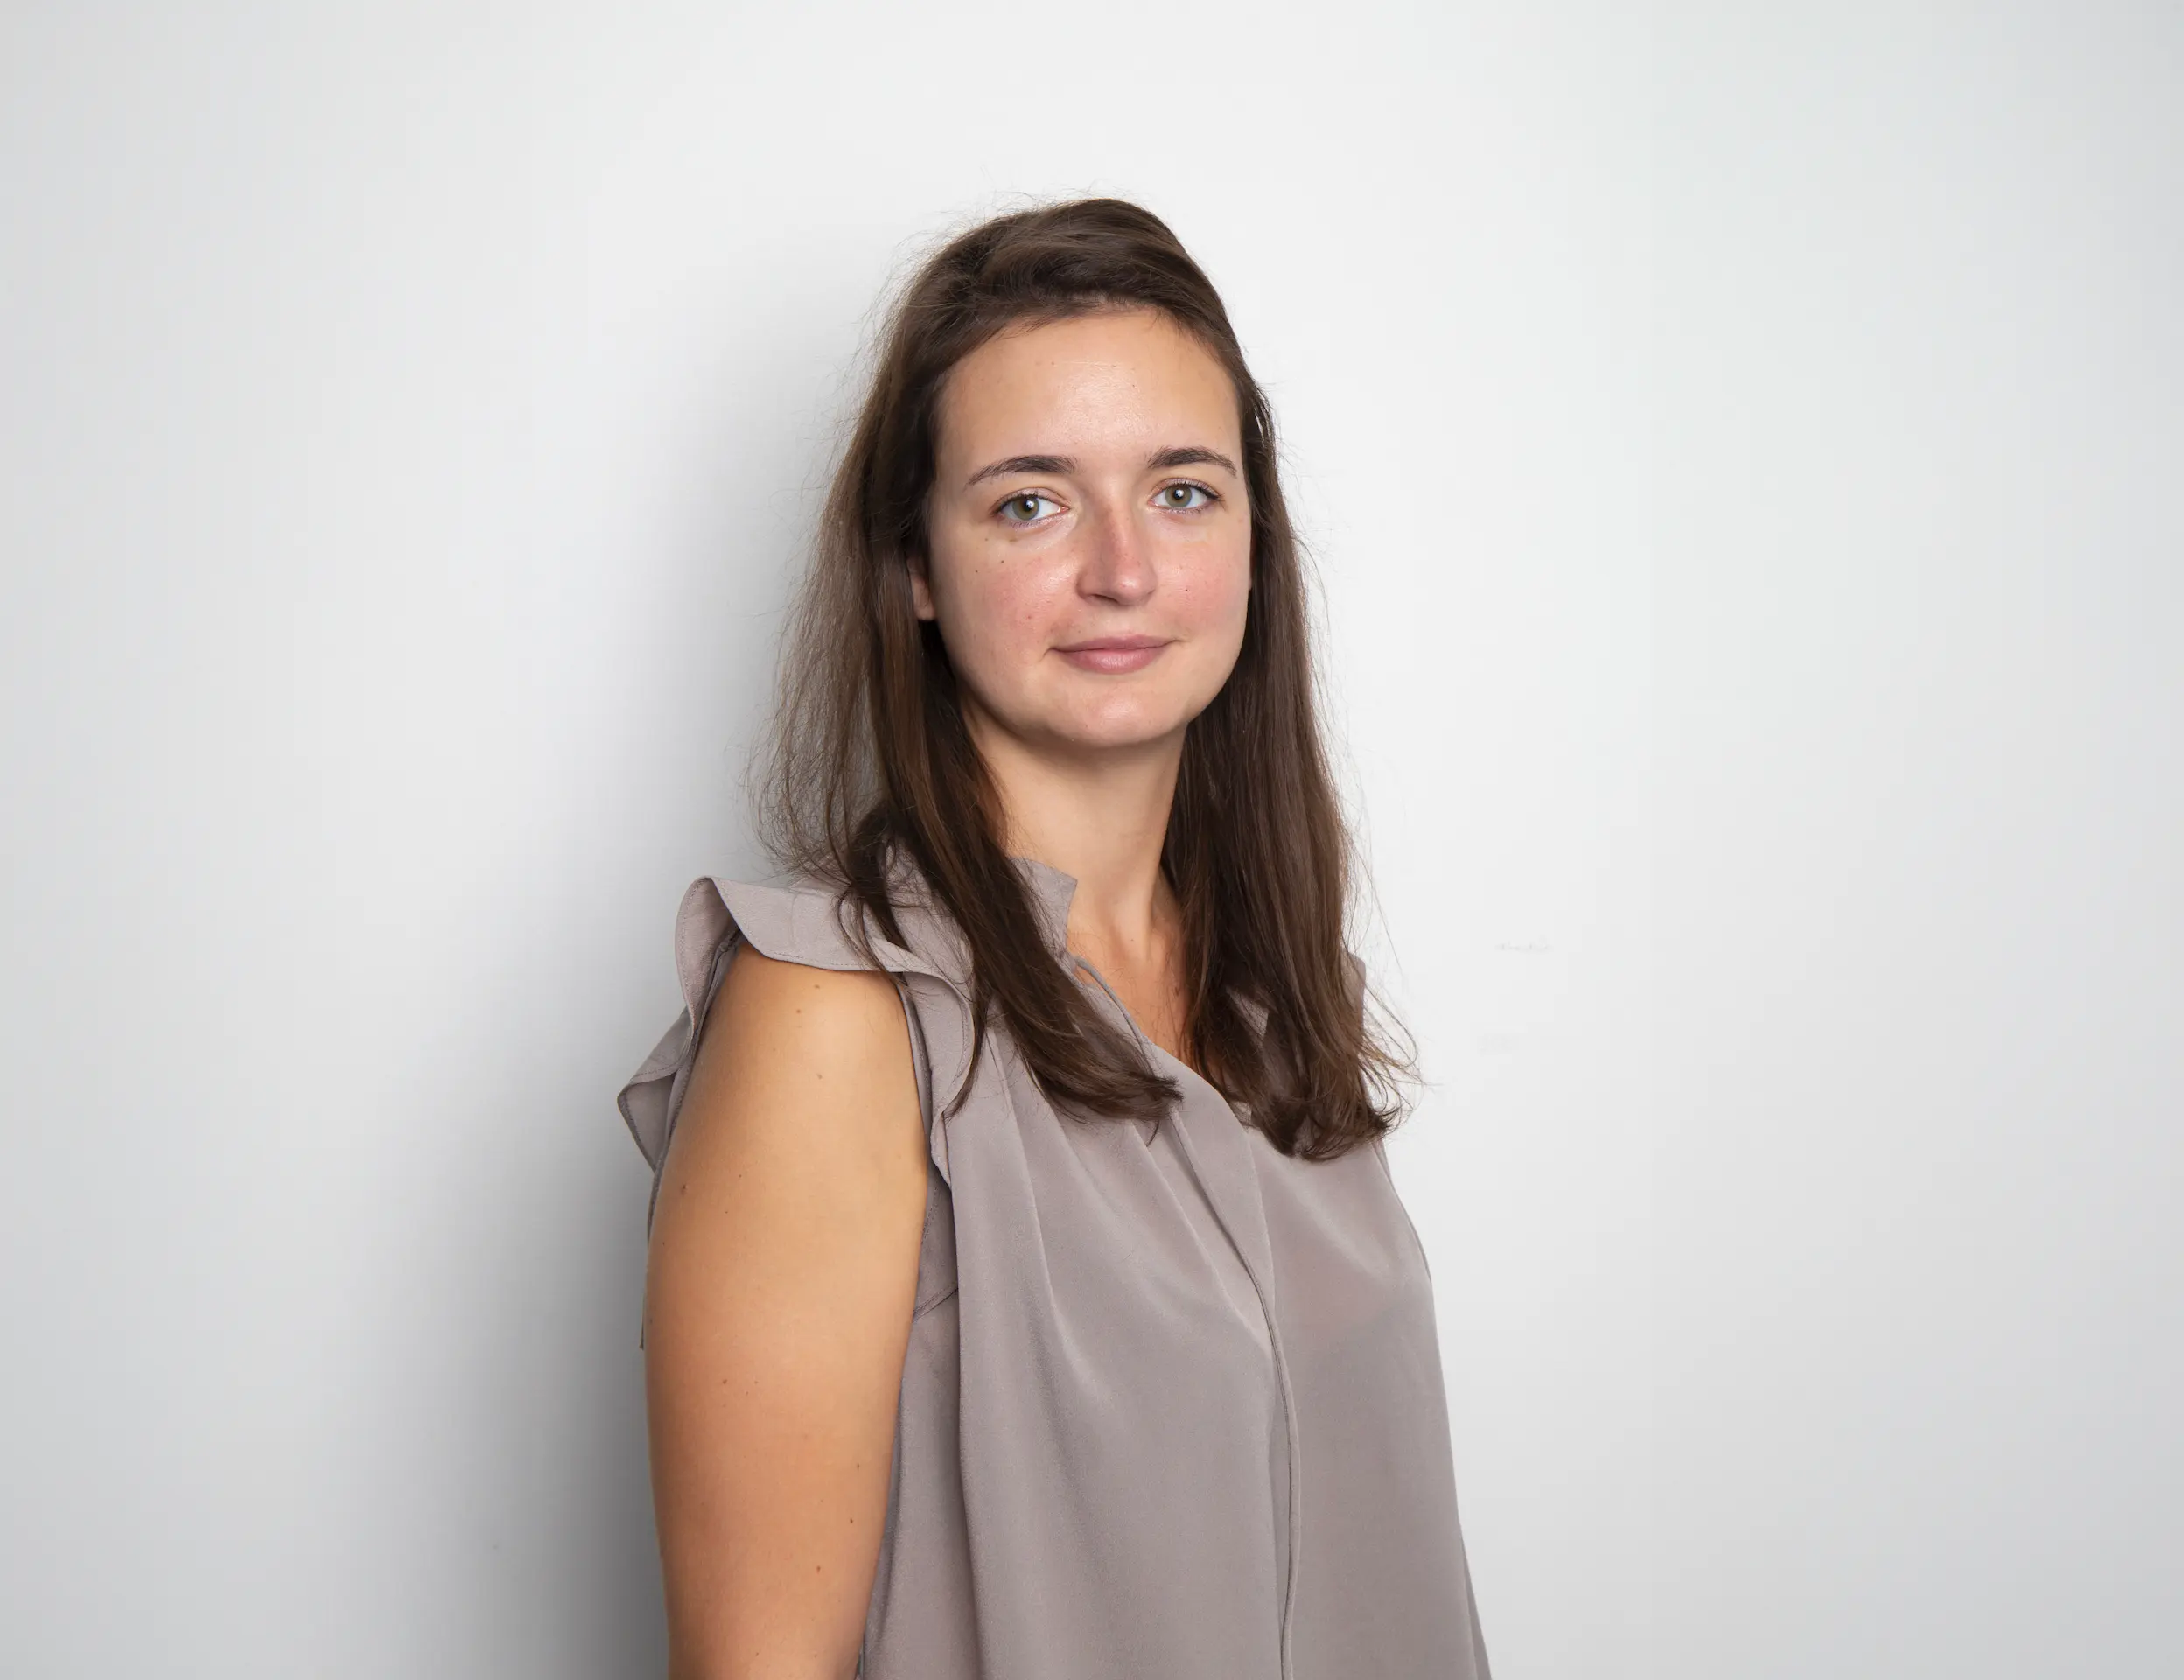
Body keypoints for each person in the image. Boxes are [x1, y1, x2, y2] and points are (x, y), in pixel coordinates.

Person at [617, 198, 1491, 1680]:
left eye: (1184, 493)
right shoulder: (836, 1019)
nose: (1124, 571)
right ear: (912, 570)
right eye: (1031, 501)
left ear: (1258, 547)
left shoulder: (1281, 1006)